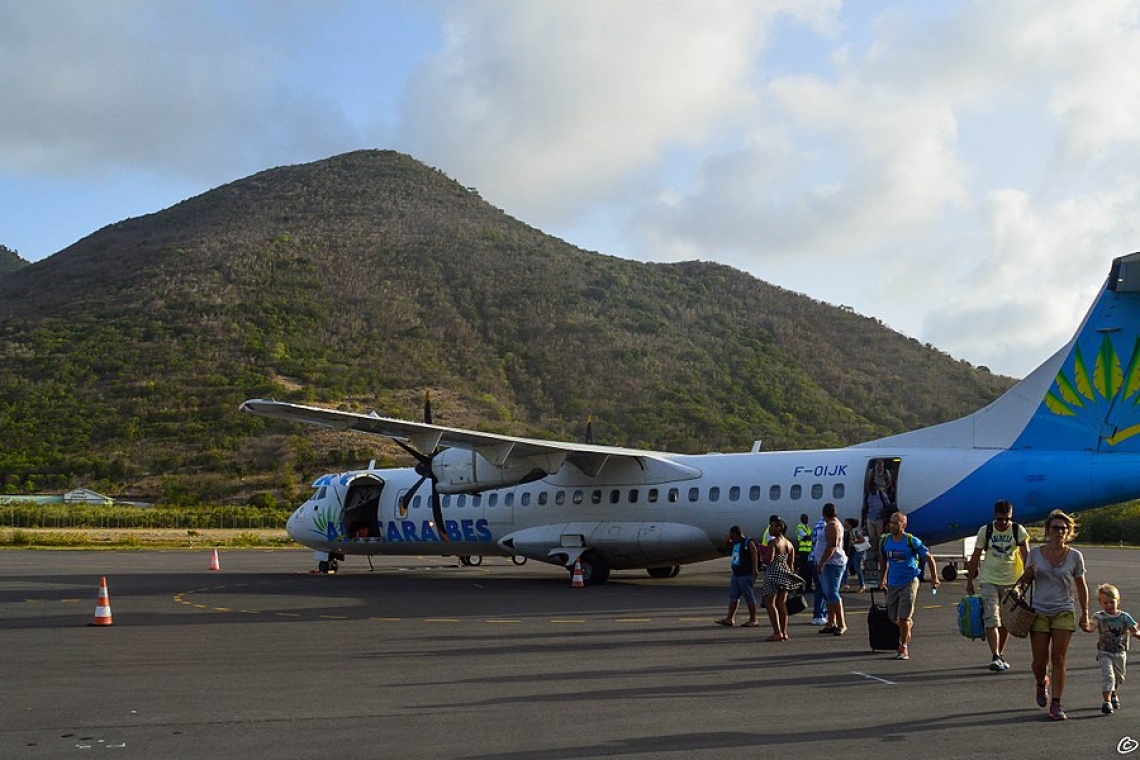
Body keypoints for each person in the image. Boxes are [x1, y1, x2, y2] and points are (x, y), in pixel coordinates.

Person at [1017, 509, 1091, 721]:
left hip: (1063, 610)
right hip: (1039, 610)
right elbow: (1023, 582)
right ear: (1048, 531)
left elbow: (1081, 586)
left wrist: (1085, 613)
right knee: (1039, 662)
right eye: (1056, 528)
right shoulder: (1036, 553)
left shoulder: (1075, 556)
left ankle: (1056, 703)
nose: (1060, 532)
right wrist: (1027, 575)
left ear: (1068, 532)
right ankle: (1041, 683)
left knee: (1058, 658)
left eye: (1063, 528)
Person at [965, 499, 1030, 671]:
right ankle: (994, 655)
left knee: (1006, 621)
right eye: (1000, 519)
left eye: (1006, 519)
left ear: (1011, 517)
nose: (1003, 523)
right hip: (989, 579)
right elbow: (975, 556)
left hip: (1011, 580)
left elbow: (1026, 555)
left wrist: (1026, 578)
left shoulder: (1018, 530)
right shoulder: (985, 531)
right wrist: (970, 580)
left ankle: (1000, 654)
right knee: (991, 617)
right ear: (995, 516)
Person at [878, 512, 940, 659]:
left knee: (904, 617)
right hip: (893, 582)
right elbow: (883, 560)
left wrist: (934, 577)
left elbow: (929, 558)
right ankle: (906, 625)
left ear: (903, 525)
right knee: (893, 618)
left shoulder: (911, 541)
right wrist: (882, 578)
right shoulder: (885, 541)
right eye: (891, 523)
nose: (892, 526)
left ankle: (903, 647)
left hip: (909, 581)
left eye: (896, 523)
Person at [1089, 583, 1140, 715]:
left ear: (1118, 601)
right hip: (1104, 652)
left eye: (1112, 602)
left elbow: (1135, 631)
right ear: (1100, 603)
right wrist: (1086, 625)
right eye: (1105, 603)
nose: (1109, 606)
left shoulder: (1124, 617)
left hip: (1120, 651)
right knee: (1108, 676)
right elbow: (1091, 627)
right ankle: (1106, 702)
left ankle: (1113, 693)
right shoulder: (1099, 616)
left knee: (1119, 677)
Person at [759, 519, 804, 641]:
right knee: (781, 603)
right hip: (785, 573)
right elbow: (791, 563)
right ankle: (784, 632)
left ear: (779, 528)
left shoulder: (773, 543)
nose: (769, 529)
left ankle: (776, 632)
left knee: (770, 603)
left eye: (772, 526)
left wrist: (762, 555)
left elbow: (768, 560)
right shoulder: (789, 544)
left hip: (773, 573)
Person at [716, 525, 760, 627]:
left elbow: (754, 555)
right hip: (736, 574)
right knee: (733, 597)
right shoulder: (736, 543)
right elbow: (727, 545)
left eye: (733, 536)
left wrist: (755, 569)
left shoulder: (748, 542)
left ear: (737, 534)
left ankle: (753, 619)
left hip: (746, 574)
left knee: (749, 596)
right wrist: (728, 540)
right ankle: (730, 618)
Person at [815, 503, 847, 635]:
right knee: (828, 593)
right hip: (830, 563)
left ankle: (841, 624)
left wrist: (822, 562)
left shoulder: (832, 525)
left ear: (824, 513)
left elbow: (832, 545)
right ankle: (831, 622)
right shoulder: (833, 523)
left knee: (832, 593)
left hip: (832, 564)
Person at [844, 517, 868, 593]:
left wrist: (854, 542)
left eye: (846, 522)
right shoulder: (847, 531)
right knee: (845, 567)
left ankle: (862, 585)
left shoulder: (855, 531)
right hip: (851, 551)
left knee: (857, 567)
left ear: (849, 524)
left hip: (857, 551)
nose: (844, 524)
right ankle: (845, 584)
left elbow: (862, 539)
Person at [795, 513, 814, 593]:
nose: (806, 520)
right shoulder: (799, 527)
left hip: (809, 552)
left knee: (809, 571)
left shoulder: (808, 528)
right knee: (802, 571)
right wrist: (811, 537)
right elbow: (806, 537)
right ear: (801, 519)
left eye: (806, 518)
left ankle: (808, 587)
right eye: (804, 518)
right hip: (803, 552)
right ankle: (799, 588)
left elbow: (810, 537)